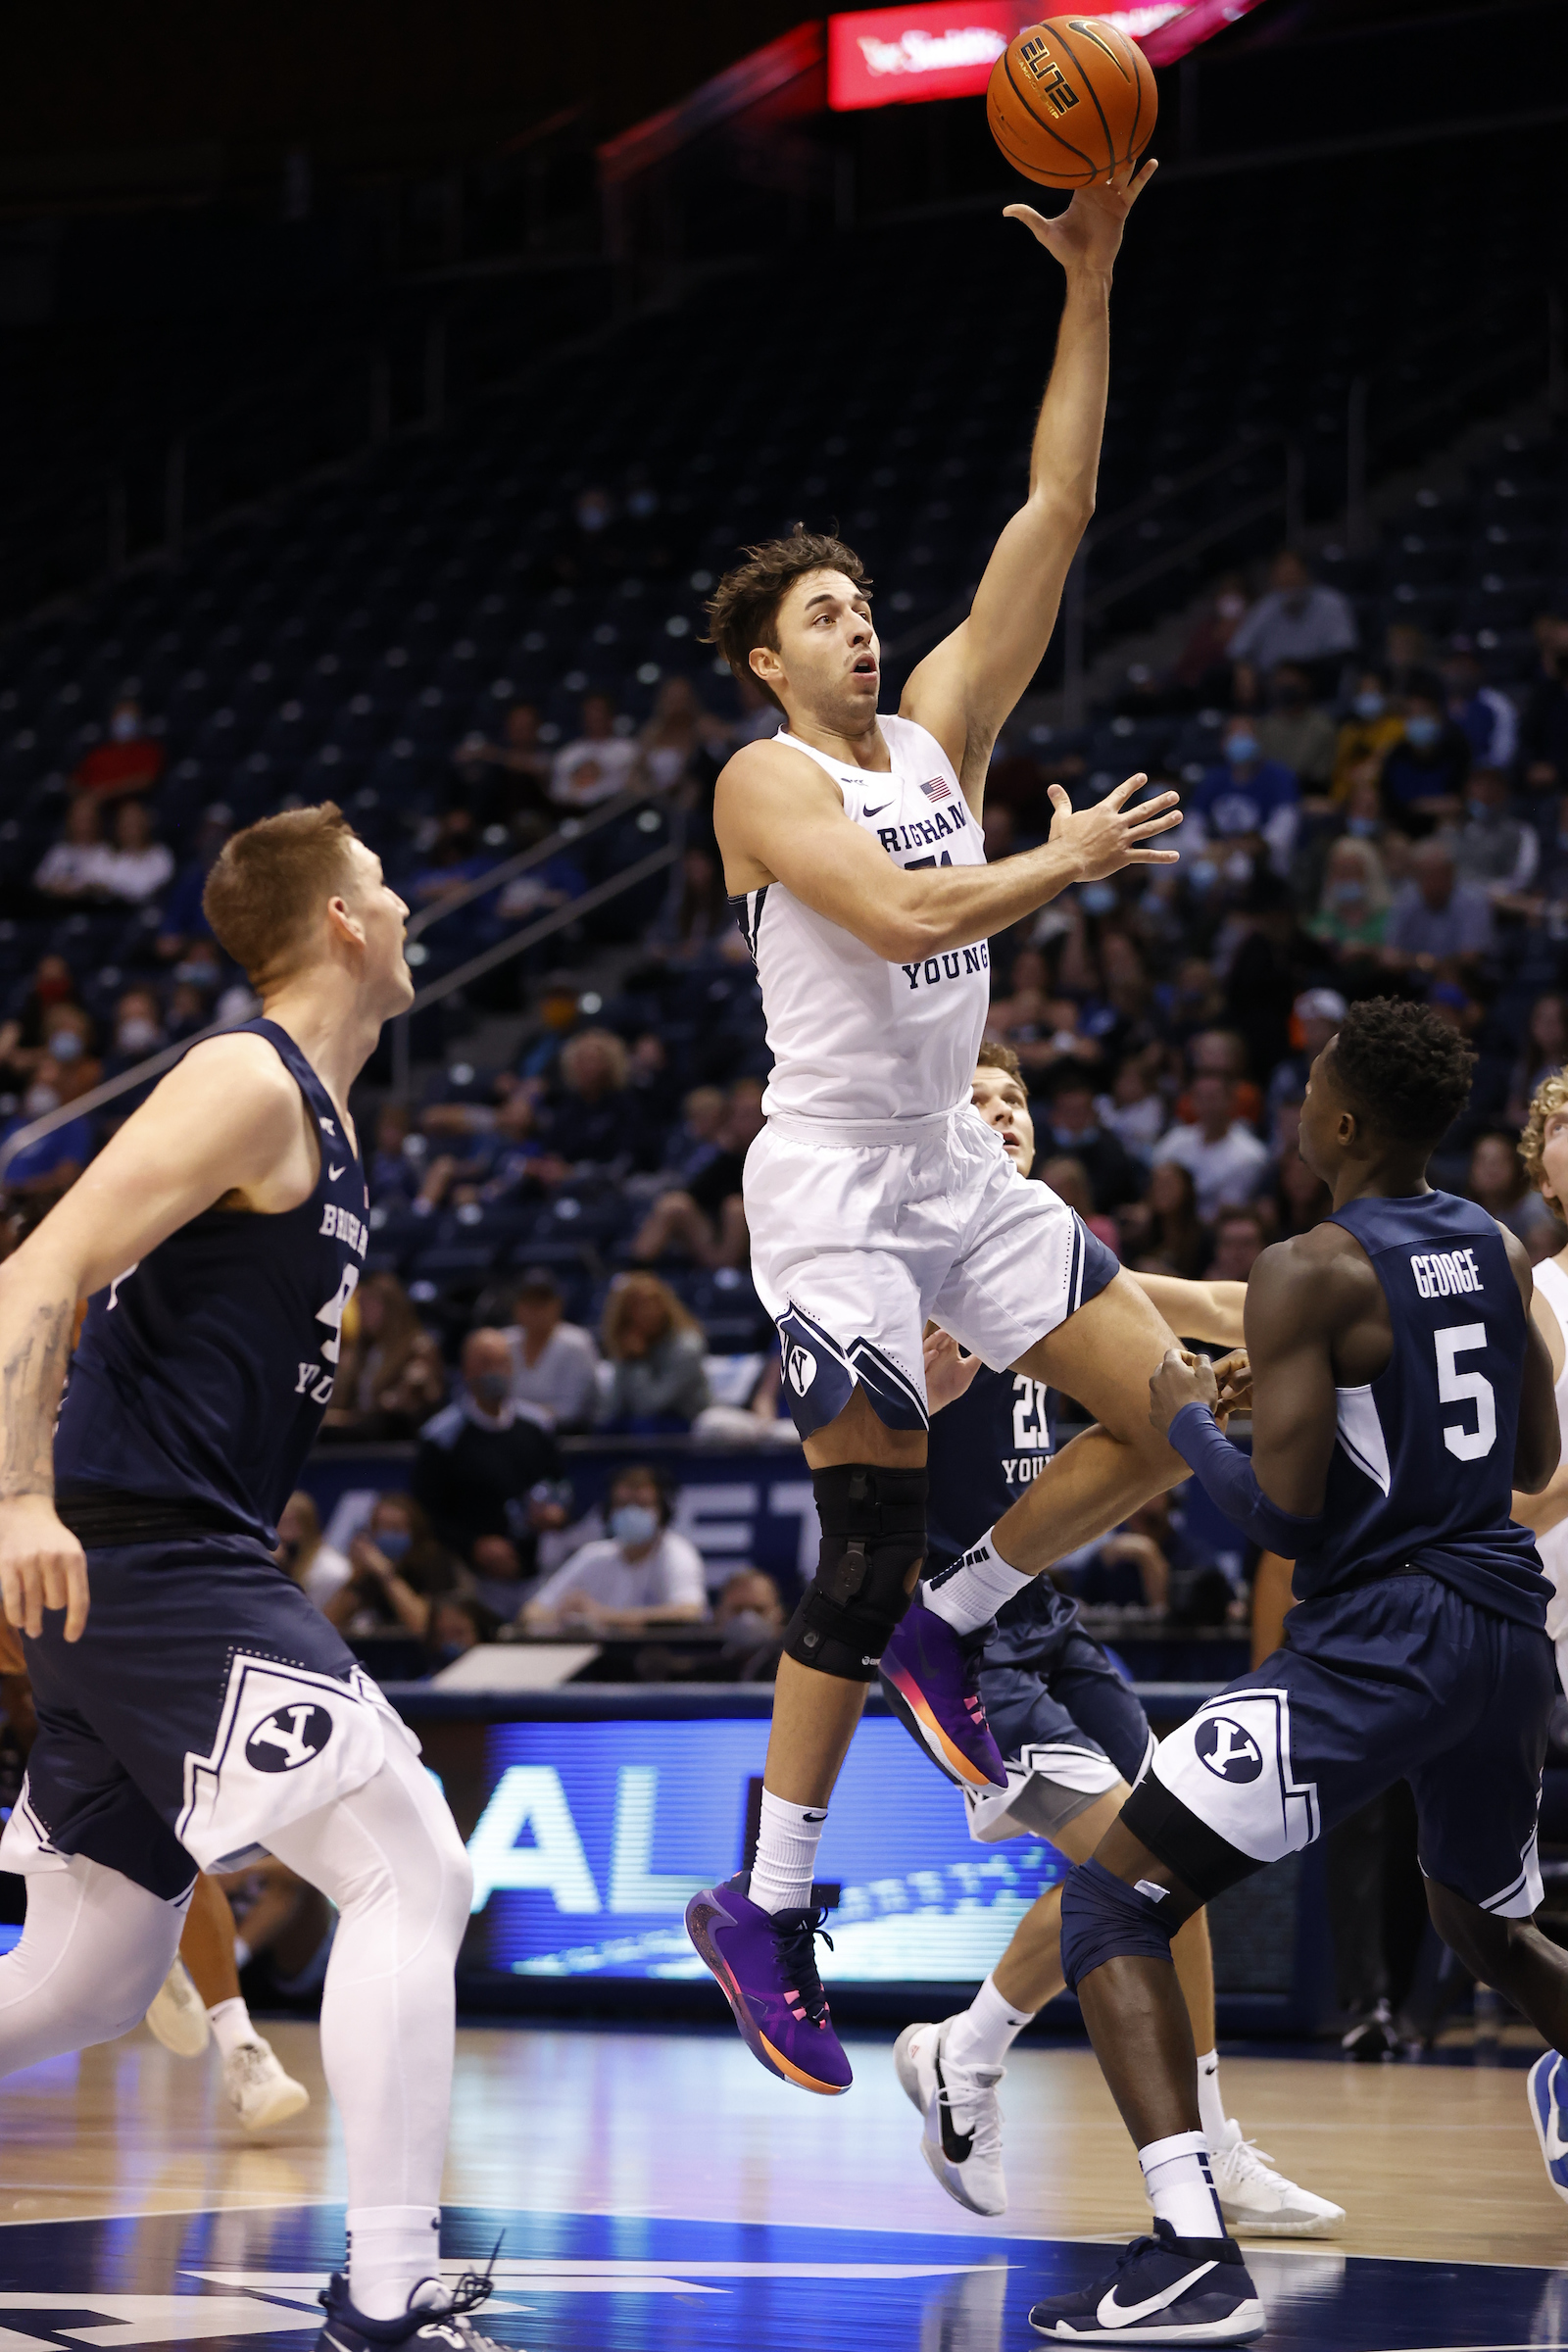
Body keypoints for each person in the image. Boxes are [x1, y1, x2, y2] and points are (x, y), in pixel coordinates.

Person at [682, 160, 1222, 2102]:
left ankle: (961, 1617)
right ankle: (767, 1905)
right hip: (827, 1184)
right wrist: (1061, 862)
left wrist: (1089, 279)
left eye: (860, 611)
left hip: (955, 1173)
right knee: (852, 1529)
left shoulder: (935, 737)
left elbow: (1054, 509)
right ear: (765, 656)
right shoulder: (761, 783)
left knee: (1178, 1426)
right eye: (822, 617)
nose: (858, 632)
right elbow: (910, 918)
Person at [0, 802, 495, 2349]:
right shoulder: (245, 1076)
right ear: (341, 923)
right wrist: (17, 1495)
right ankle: (392, 2286)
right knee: (414, 1868)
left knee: (88, 1978)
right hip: (143, 1554)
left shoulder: (330, 1123)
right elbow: (35, 1272)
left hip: (151, 1564)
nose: (408, 905)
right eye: (386, 886)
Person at [1030, 999, 1568, 2343]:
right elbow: (1526, 1465)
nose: (1293, 1107)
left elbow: (1281, 1518)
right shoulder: (1497, 1245)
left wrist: (1177, 1415)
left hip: (1383, 1639)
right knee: (1485, 1923)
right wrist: (1284, 1412)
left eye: (1307, 1087)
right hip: (1508, 1634)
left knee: (1112, 1908)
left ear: (1340, 1123)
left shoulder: (1305, 1265)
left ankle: (1187, 2261)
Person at [891, 1045, 1341, 2235]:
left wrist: (1359, 1302)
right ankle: (969, 2053)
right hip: (952, 1634)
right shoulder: (906, 1262)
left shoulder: (1047, 1256)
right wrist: (913, 1395)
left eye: (1016, 1099)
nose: (1000, 1115)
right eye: (974, 1100)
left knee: (1176, 1870)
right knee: (1126, 1870)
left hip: (1043, 1619)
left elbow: (1207, 1306)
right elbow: (830, 1437)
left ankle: (1206, 2140)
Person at [143, 1871, 311, 2130]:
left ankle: (242, 2049)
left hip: (244, 1930)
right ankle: (157, 1949)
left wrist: (244, 1870)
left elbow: (301, 1867)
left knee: (183, 1860)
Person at [411, 1330, 563, 1611]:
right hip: (473, 1580)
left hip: (538, 1574)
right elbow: (425, 1514)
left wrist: (556, 1510)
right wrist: (474, 1546)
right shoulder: (442, 1437)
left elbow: (560, 1481)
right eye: (484, 1362)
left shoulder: (538, 1426)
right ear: (466, 1370)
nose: (495, 1371)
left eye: (502, 1362)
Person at [521, 1463, 707, 1634]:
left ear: (663, 1511)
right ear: (609, 1511)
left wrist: (603, 1615)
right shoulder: (593, 1555)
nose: (632, 1512)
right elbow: (531, 1612)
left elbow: (690, 1612)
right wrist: (564, 1616)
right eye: (623, 1505)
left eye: (642, 1505)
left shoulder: (676, 1553)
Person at [323, 1494, 461, 1641]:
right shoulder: (372, 1569)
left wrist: (386, 1574)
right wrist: (356, 1576)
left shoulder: (434, 1561)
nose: (387, 1535)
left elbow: (423, 1625)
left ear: (414, 1532)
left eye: (395, 1529)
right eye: (382, 1528)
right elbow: (327, 1624)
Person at [1226, 552, 1356, 701]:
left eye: (1292, 573)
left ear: (1305, 574)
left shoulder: (1331, 603)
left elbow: (1343, 652)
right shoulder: (1265, 607)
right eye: (1282, 575)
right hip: (1272, 686)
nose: (1288, 580)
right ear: (1272, 579)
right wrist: (1243, 667)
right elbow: (1238, 650)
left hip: (1318, 683)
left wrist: (1300, 671)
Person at [598, 1272, 710, 1431]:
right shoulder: (628, 1342)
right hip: (640, 1425)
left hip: (684, 1426)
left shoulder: (687, 1346)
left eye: (654, 1302)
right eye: (638, 1305)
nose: (649, 1310)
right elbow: (614, 1407)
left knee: (644, 1426)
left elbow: (650, 1406)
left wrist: (637, 1360)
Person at [1152, 1073, 1270, 1223]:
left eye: (1213, 1097)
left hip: (1215, 1232)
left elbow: (1229, 1211)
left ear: (1231, 1101)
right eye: (1200, 1097)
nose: (1206, 1105)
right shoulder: (1175, 1140)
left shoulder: (1250, 1154)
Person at [1381, 838, 1494, 979]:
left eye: (1435, 876)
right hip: (1411, 981)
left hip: (1462, 982)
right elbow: (1389, 956)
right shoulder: (1406, 899)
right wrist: (1423, 963)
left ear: (1450, 873)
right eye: (1423, 876)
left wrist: (1426, 963)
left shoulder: (1473, 900)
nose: (1430, 883)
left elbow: (1469, 958)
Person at [504, 1271, 599, 1430]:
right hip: (513, 1435)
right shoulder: (503, 1343)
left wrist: (516, 1414)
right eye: (529, 1302)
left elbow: (569, 1412)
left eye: (542, 1302)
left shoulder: (576, 1343)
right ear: (517, 1307)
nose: (535, 1310)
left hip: (567, 1438)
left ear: (557, 1305)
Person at [276, 1488, 352, 1607]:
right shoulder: (277, 1559)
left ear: (308, 1526)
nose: (281, 1533)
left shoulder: (331, 1570)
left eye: (288, 1523)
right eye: (277, 1522)